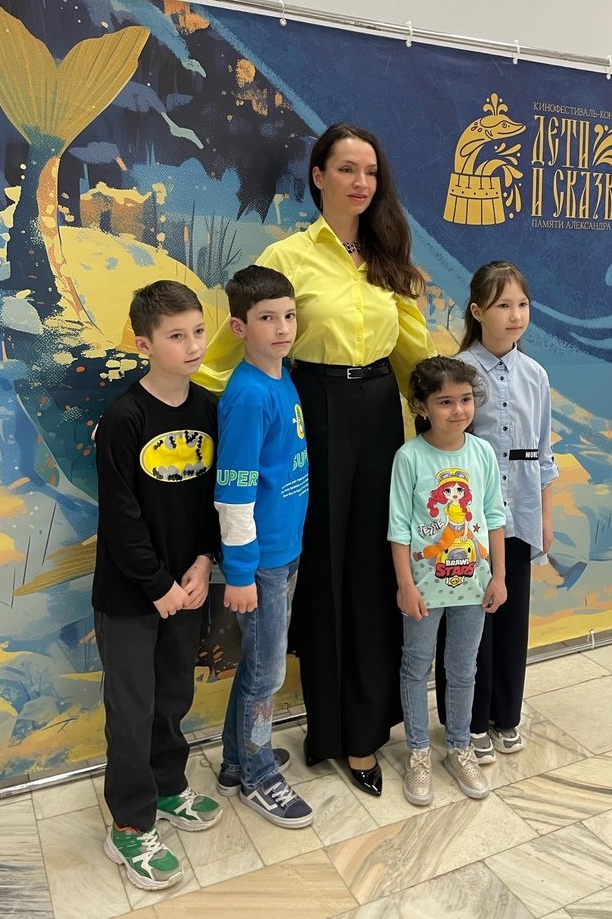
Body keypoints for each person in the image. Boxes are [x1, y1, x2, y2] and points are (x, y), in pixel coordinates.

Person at [197, 123, 433, 795]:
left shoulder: (389, 256)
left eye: (371, 171)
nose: (362, 182)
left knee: (373, 570)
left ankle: (367, 731)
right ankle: (331, 731)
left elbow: (412, 350)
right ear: (319, 176)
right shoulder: (289, 257)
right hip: (316, 416)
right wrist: (163, 409)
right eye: (348, 169)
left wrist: (450, 415)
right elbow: (229, 351)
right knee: (325, 576)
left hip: (379, 416)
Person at [94, 280, 222, 893]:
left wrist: (202, 562)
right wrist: (156, 585)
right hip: (131, 598)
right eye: (176, 336)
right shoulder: (125, 418)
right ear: (144, 344)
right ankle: (129, 823)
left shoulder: (208, 409)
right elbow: (120, 517)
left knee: (173, 695)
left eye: (198, 331)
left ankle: (168, 785)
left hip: (187, 588)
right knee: (132, 709)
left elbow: (213, 498)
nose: (193, 345)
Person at [436, 260, 558, 761]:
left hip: (521, 514)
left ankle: (506, 715)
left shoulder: (536, 375)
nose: (515, 315)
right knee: (469, 625)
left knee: (510, 621)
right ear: (476, 310)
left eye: (522, 304)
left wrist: (544, 517)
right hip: (468, 523)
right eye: (503, 305)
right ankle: (467, 721)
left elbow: (544, 454)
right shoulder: (459, 372)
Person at [213, 265, 313, 827]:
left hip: (284, 550)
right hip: (262, 563)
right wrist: (241, 572)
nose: (282, 328)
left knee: (259, 666)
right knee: (267, 675)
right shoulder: (249, 395)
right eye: (267, 318)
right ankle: (258, 776)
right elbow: (233, 492)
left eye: (289, 316)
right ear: (239, 327)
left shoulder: (280, 377)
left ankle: (236, 762)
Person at [389, 355, 506, 806]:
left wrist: (499, 575)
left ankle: (459, 747)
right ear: (421, 407)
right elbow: (399, 529)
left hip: (474, 587)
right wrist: (406, 585)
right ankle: (419, 752)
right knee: (415, 666)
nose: (458, 410)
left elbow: (494, 517)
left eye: (465, 399)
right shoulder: (409, 457)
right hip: (423, 589)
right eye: (445, 402)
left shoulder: (482, 453)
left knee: (463, 668)